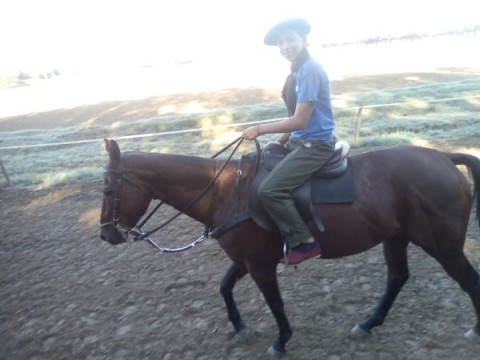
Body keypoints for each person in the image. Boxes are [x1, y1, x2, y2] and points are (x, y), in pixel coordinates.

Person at [242, 18, 336, 265]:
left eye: (291, 39)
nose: (286, 46)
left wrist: (260, 129)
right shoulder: (296, 71)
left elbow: (300, 121)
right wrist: (279, 141)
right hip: (300, 141)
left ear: (305, 40)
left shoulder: (310, 70)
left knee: (270, 189)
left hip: (315, 145)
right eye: (281, 42)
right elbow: (293, 116)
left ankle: (305, 242)